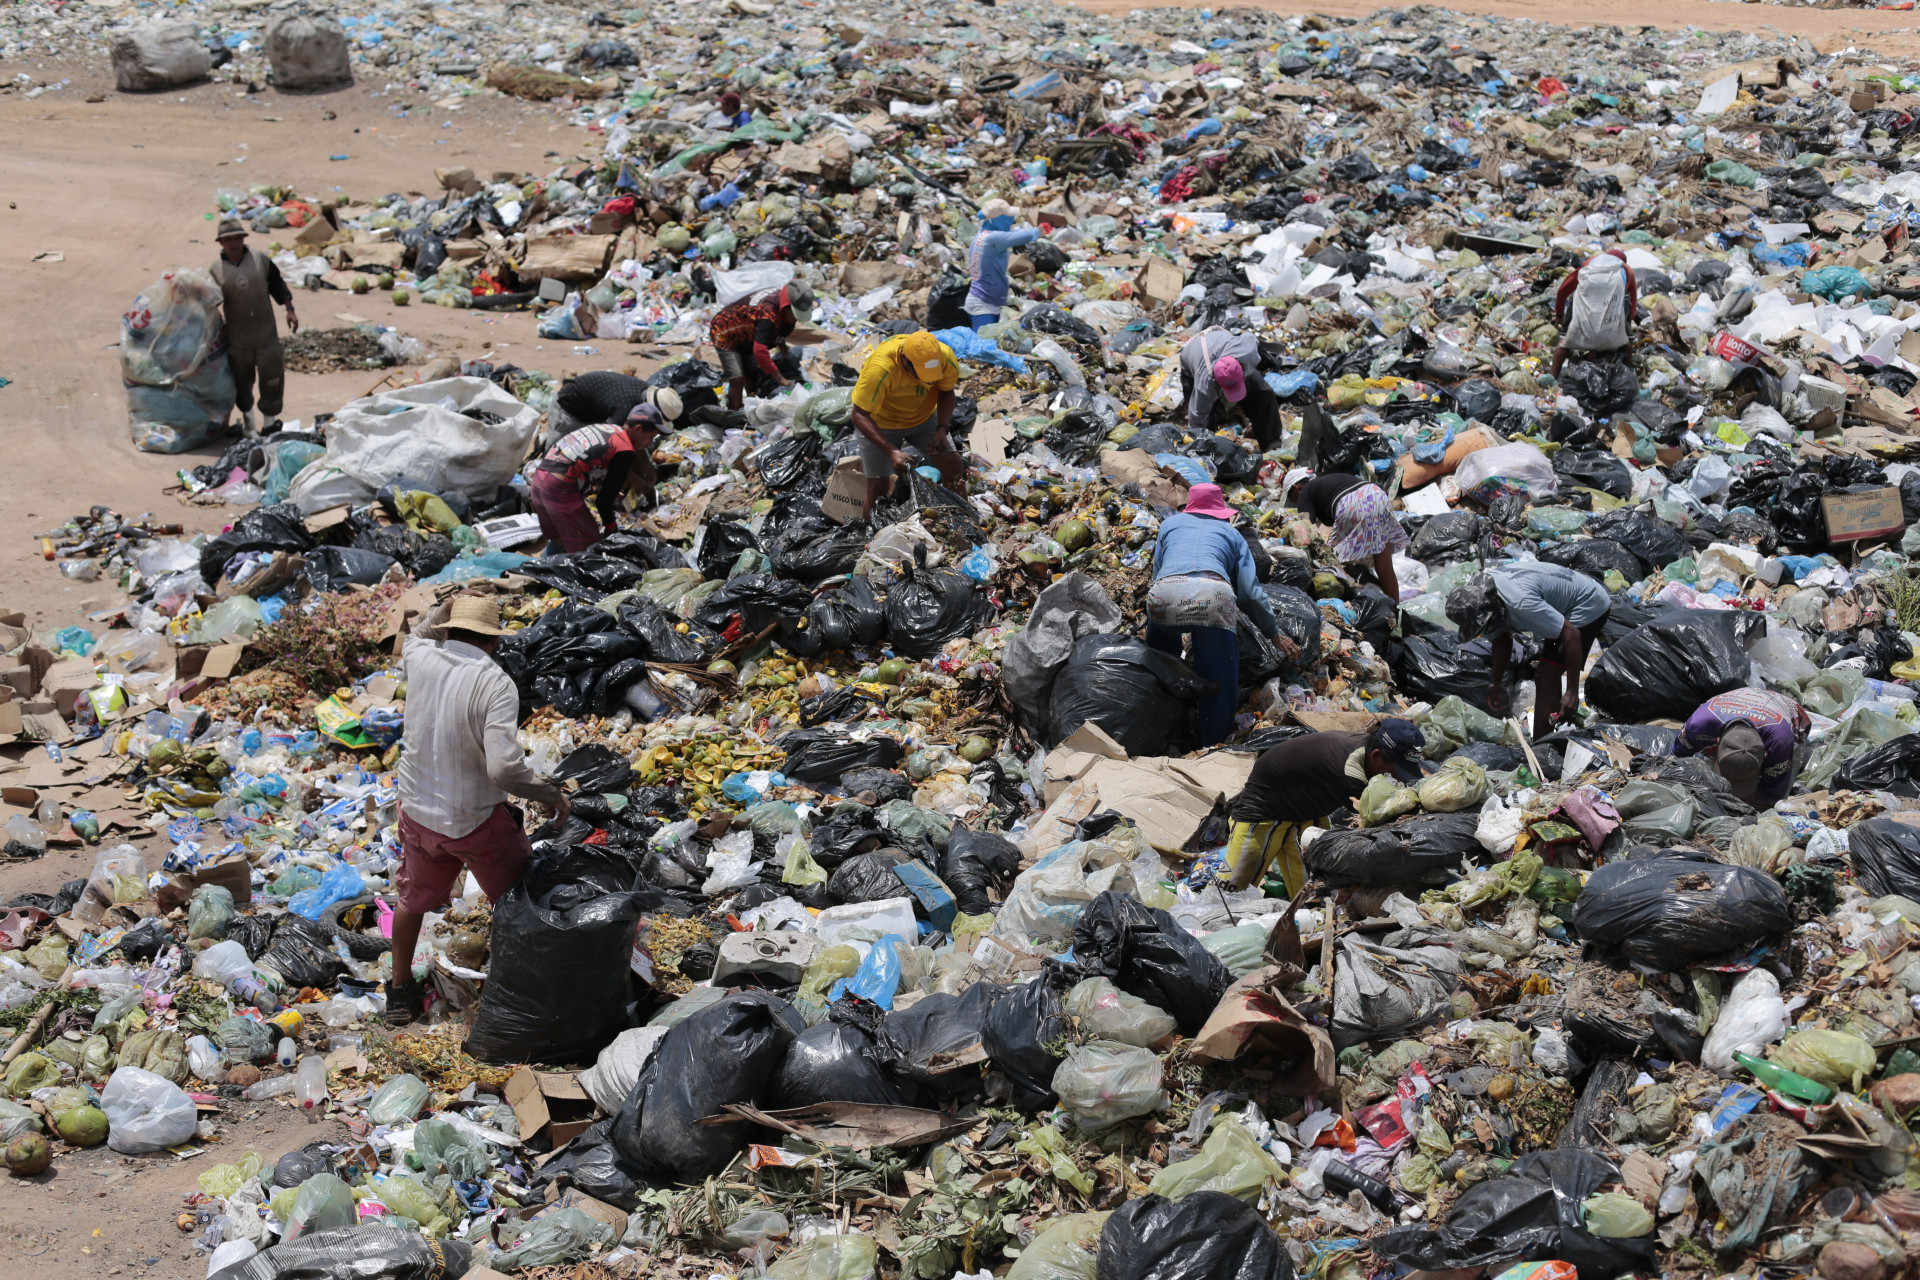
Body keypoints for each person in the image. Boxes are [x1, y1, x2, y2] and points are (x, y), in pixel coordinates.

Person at [388, 594, 569, 1025]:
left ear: (449, 630)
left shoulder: (420, 655)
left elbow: (415, 633)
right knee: (517, 903)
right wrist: (552, 796)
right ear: (492, 642)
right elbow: (504, 768)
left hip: (417, 815)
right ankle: (518, 995)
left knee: (411, 900)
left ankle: (399, 993)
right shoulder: (495, 683)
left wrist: (441, 610)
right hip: (474, 822)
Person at [1147, 483, 1287, 748]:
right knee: (1219, 679)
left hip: (1165, 593)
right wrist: (1273, 633)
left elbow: (1157, 574)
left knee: (1160, 664)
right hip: (1213, 596)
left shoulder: (1169, 525)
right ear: (1220, 509)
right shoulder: (1232, 534)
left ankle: (1163, 727)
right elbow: (1249, 593)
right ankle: (1212, 745)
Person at [1222, 719, 1427, 894]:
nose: (1400, 778)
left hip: (1306, 806)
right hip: (1264, 808)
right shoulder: (1349, 772)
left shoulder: (1367, 748)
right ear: (1375, 756)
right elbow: (1376, 817)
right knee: (1232, 892)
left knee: (1313, 889)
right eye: (1397, 770)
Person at [1447, 563, 1612, 739]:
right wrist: (1496, 682)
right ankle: (1554, 730)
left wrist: (1571, 692)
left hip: (1588, 602)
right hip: (1560, 602)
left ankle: (1542, 746)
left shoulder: (1520, 602)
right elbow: (1501, 638)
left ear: (1489, 609)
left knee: (1546, 674)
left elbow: (1571, 634)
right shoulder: (1479, 595)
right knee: (1547, 672)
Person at [850, 329, 968, 518]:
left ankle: (962, 519)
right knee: (879, 486)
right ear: (905, 360)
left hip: (923, 419)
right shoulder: (881, 368)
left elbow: (946, 392)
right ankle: (870, 535)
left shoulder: (945, 359)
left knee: (952, 464)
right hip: (881, 423)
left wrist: (942, 428)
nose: (929, 380)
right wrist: (891, 451)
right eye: (923, 374)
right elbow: (859, 415)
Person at [528, 404, 662, 554]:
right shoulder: (625, 450)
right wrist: (612, 529)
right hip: (559, 487)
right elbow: (604, 501)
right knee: (588, 545)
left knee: (561, 539)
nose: (651, 443)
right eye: (651, 437)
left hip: (540, 479)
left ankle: (541, 571)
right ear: (637, 429)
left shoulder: (609, 429)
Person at [210, 217, 298, 434]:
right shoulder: (216, 270)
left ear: (244, 239)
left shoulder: (260, 259)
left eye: (238, 238)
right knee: (242, 382)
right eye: (229, 240)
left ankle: (269, 426)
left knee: (272, 379)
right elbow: (210, 302)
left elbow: (277, 283)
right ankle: (249, 426)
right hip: (238, 338)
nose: (234, 244)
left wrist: (289, 308)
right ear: (221, 243)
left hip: (266, 334)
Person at [1285, 467, 1408, 605]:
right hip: (1377, 496)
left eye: (1293, 499)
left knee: (1331, 563)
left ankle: (1348, 604)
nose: (1297, 503)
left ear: (1297, 488)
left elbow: (1305, 531)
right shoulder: (1329, 481)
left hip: (1352, 504)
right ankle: (1395, 611)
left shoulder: (1305, 492)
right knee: (1384, 566)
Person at [1673, 688, 1810, 808]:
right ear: (1717, 742)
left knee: (1778, 800)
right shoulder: (1698, 725)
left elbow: (1773, 794)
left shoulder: (1780, 741)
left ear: (1766, 755)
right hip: (1734, 702)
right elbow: (1676, 761)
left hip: (1783, 708)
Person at [710, 281, 815, 409]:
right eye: (794, 313)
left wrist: (782, 347)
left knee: (752, 372)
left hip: (747, 333)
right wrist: (780, 379)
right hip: (724, 332)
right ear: (786, 306)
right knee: (737, 379)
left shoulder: (783, 310)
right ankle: (735, 414)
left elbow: (783, 329)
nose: (795, 318)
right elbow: (760, 350)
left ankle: (751, 404)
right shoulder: (768, 314)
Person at [1179, 326, 1280, 449]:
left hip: (1223, 346)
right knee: (1204, 429)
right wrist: (1196, 446)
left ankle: (1271, 444)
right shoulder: (1204, 384)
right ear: (1215, 381)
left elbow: (1250, 336)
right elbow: (1197, 420)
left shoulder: (1246, 351)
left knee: (1264, 395)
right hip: (1192, 361)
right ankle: (1211, 454)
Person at [1550, 248, 1636, 376]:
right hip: (1613, 303)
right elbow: (1632, 299)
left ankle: (1552, 377)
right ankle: (1627, 375)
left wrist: (1559, 314)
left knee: (1565, 340)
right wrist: (1628, 324)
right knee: (1627, 342)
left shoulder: (1590, 264)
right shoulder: (1626, 269)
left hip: (1585, 299)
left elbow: (1564, 289)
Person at [546, 370, 681, 448]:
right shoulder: (626, 409)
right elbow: (618, 445)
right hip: (569, 408)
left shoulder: (642, 396)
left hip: (595, 412)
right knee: (558, 453)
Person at [964, 198, 1038, 332]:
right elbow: (1031, 234)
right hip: (983, 305)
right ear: (998, 219)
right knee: (982, 348)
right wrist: (1015, 239)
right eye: (1009, 216)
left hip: (986, 301)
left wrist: (1012, 240)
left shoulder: (984, 235)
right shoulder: (993, 238)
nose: (1012, 220)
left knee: (987, 345)